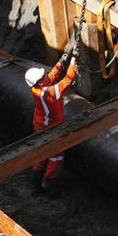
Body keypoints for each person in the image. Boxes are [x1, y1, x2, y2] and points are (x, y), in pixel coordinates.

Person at [25, 47, 79, 198]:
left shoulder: (38, 88)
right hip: (51, 130)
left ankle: (36, 189)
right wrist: (74, 61)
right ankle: (52, 191)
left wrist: (62, 62)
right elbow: (67, 80)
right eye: (42, 76)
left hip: (40, 126)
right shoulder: (47, 93)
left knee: (41, 156)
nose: (46, 76)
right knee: (56, 158)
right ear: (39, 82)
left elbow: (51, 76)